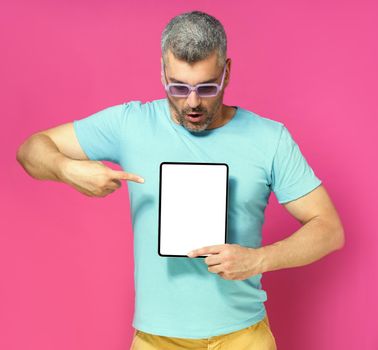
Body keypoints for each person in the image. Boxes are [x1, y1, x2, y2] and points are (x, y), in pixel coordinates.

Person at [16, 10, 345, 350]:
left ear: (227, 72)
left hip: (244, 337)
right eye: (178, 87)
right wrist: (67, 170)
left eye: (206, 87)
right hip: (155, 340)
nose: (192, 102)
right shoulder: (131, 125)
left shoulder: (269, 138)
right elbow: (31, 150)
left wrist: (258, 259)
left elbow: (329, 230)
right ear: (161, 71)